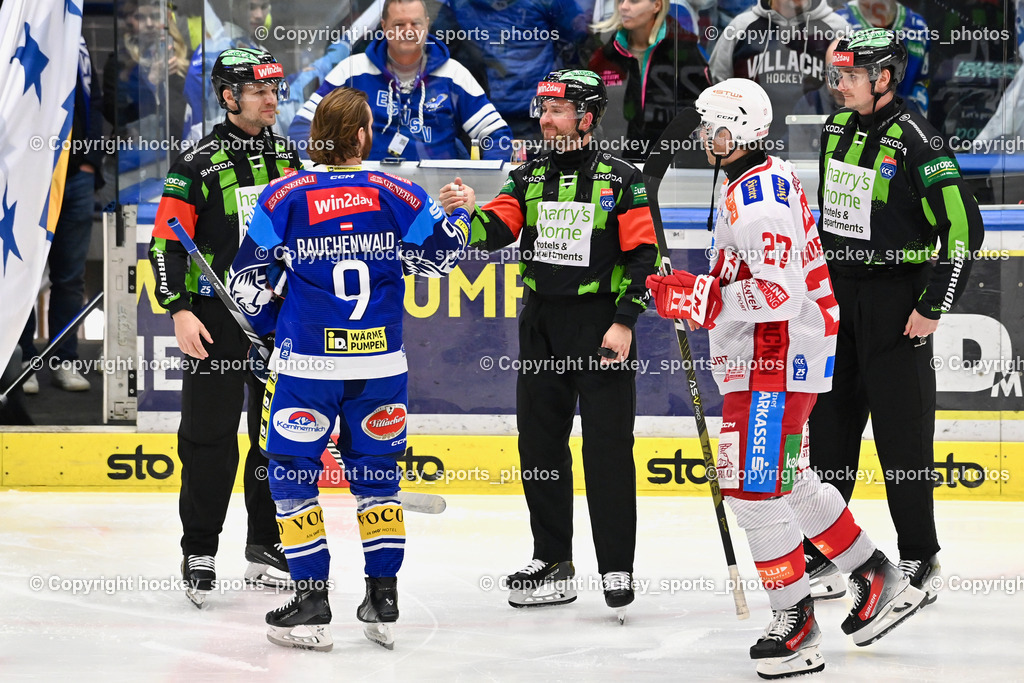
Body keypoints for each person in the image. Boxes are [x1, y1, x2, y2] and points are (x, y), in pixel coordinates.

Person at [645, 78, 927, 679]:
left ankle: (794, 623)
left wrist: (701, 299)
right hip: (771, 352)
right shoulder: (748, 178)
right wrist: (703, 292)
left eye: (715, 127)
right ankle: (876, 575)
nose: (705, 136)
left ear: (742, 131)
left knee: (754, 491)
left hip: (775, 356)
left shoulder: (760, 199)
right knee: (790, 480)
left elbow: (779, 293)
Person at [227, 86, 471, 652]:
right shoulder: (399, 192)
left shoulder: (283, 195)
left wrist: (271, 326)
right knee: (378, 479)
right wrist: (459, 213)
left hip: (307, 367)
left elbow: (246, 286)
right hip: (380, 365)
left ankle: (312, 599)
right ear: (362, 136)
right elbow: (438, 260)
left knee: (291, 476)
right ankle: (382, 597)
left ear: (316, 137)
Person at [439, 69, 658, 621]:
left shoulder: (622, 179)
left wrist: (625, 321)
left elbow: (644, 256)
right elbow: (496, 230)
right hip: (541, 325)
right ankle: (552, 560)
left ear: (588, 117)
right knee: (539, 447)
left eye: (557, 110)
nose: (545, 119)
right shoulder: (527, 175)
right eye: (543, 109)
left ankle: (617, 566)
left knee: (607, 449)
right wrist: (466, 211)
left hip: (601, 327)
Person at [806, 27, 984, 607]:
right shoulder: (836, 128)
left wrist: (933, 305)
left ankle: (919, 554)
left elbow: (964, 229)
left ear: (884, 78)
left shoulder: (918, 140)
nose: (839, 85)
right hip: (839, 298)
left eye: (851, 76)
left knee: (901, 436)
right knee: (829, 430)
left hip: (896, 301)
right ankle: (828, 549)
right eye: (836, 75)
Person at [149, 47, 299, 608]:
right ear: (228, 96)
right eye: (259, 91)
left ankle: (266, 543)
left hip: (276, 319)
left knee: (274, 437)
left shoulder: (287, 155)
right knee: (208, 437)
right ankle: (200, 549)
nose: (271, 99)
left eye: (275, 89)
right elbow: (166, 243)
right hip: (214, 320)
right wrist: (179, 309)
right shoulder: (195, 162)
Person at [288, 0, 513, 162]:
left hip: (436, 198)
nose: (408, 31)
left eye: (415, 23)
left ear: (427, 25)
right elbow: (302, 128)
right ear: (384, 26)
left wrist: (484, 188)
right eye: (399, 25)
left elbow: (497, 136)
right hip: (367, 195)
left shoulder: (453, 74)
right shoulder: (352, 70)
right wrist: (329, 175)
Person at [19, 36, 105, 394]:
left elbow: (94, 101)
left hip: (75, 176)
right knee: (22, 272)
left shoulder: (75, 37)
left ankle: (63, 359)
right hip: (26, 176)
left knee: (70, 276)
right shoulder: (20, 27)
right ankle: (22, 360)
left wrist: (89, 162)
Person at [431, 0, 596, 139]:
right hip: (524, 109)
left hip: (482, 110)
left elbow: (437, 46)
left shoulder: (456, 4)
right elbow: (577, 39)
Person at [708, 0, 849, 145]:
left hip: (816, 144)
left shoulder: (836, 28)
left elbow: (854, 91)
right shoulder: (740, 27)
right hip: (751, 145)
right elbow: (718, 88)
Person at [588, 0, 710, 161]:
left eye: (634, 1)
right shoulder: (604, 50)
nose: (624, 7)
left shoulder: (683, 48)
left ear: (657, 5)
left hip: (671, 161)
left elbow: (701, 112)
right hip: (612, 157)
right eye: (620, 1)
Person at [836, 0, 930, 115]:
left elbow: (920, 83)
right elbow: (831, 85)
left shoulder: (917, 26)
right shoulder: (839, 20)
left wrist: (907, 113)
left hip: (903, 117)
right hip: (852, 117)